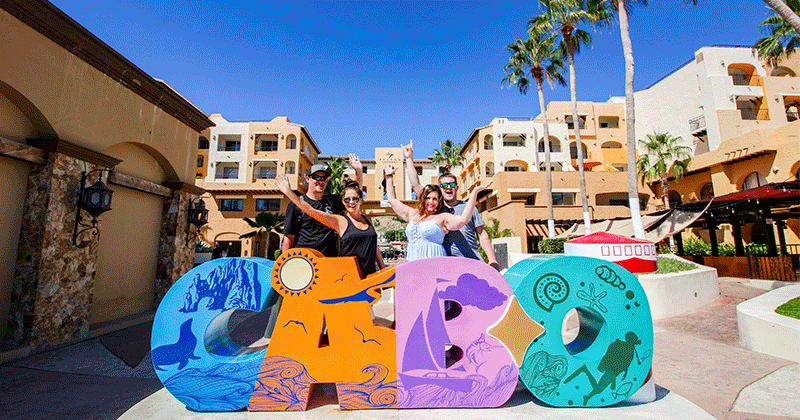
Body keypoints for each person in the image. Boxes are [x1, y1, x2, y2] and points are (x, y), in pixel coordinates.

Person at [402, 140, 500, 270]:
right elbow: (415, 184)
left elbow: (482, 234)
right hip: (448, 265)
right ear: (440, 189)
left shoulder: (468, 207)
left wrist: (492, 260)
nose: (449, 188)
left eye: (452, 185)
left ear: (457, 187)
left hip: (471, 262)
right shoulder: (436, 209)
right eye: (444, 185)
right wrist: (409, 159)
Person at [276, 175, 385, 276]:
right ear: (343, 201)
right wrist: (288, 192)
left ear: (361, 201)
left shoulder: (368, 220)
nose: (351, 202)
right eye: (347, 199)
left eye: (355, 199)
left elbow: (374, 247)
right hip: (346, 275)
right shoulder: (339, 221)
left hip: (369, 274)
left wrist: (383, 269)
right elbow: (311, 211)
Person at [383, 163, 492, 261]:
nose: (431, 202)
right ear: (423, 199)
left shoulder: (442, 217)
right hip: (414, 266)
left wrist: (474, 193)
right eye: (428, 198)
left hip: (438, 264)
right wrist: (389, 176)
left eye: (434, 199)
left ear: (439, 201)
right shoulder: (412, 214)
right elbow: (392, 200)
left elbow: (463, 220)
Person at [281, 155, 363, 257]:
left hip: (328, 261)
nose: (320, 181)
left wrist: (359, 171)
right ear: (308, 179)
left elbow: (355, 195)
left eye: (324, 178)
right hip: (306, 262)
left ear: (327, 181)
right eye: (316, 177)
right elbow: (289, 237)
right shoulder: (297, 204)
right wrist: (285, 263)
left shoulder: (332, 201)